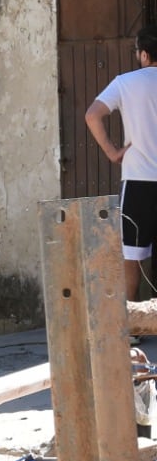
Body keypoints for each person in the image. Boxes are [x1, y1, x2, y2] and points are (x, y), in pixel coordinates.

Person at [85, 25, 157, 302]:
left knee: (132, 254)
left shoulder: (125, 82)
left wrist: (112, 151)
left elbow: (92, 115)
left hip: (138, 180)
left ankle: (134, 325)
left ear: (143, 54)